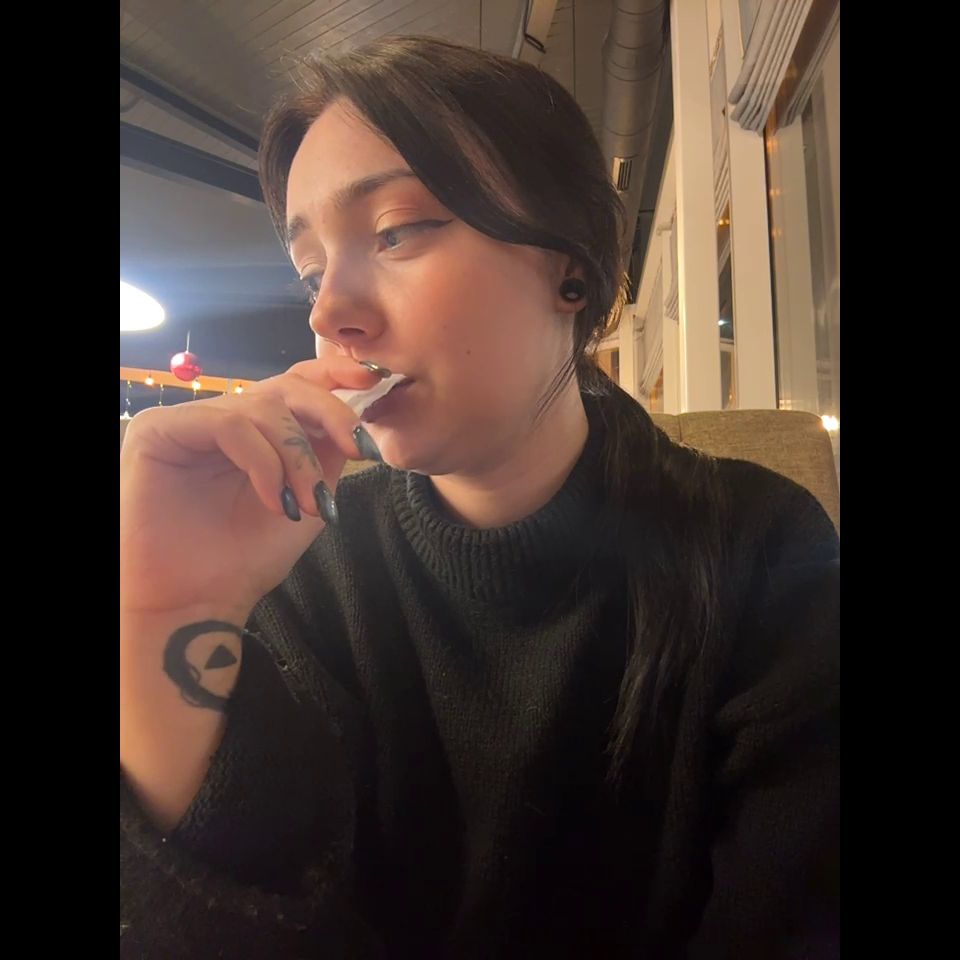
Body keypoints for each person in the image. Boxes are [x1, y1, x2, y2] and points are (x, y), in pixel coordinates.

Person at [120, 34, 840, 959]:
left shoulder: (762, 549)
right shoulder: (298, 566)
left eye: (395, 231)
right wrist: (160, 617)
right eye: (310, 271)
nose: (328, 313)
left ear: (570, 266)